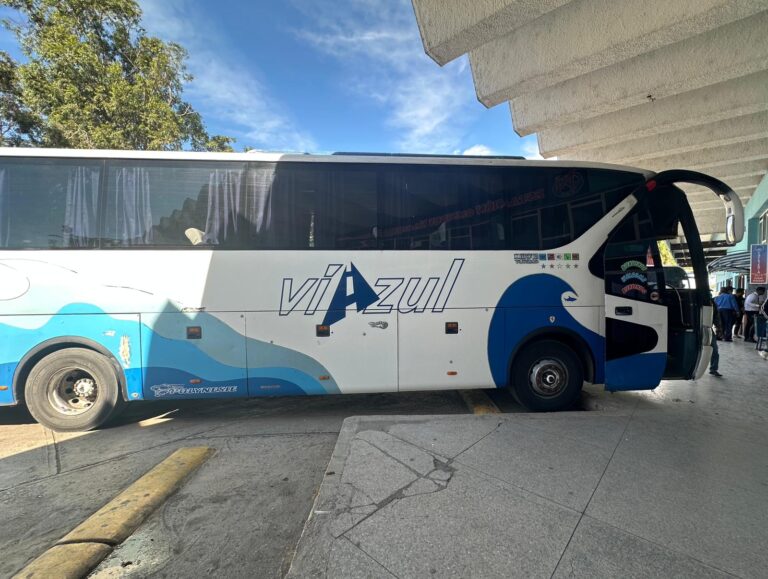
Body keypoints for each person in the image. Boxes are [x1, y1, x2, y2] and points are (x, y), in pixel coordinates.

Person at [709, 297, 722, 377]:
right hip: (701, 329)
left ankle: (713, 369)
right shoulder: (711, 302)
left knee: (714, 350)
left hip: (707, 329)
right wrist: (719, 328)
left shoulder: (711, 302)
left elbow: (716, 316)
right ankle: (713, 369)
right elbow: (716, 317)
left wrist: (719, 328)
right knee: (714, 350)